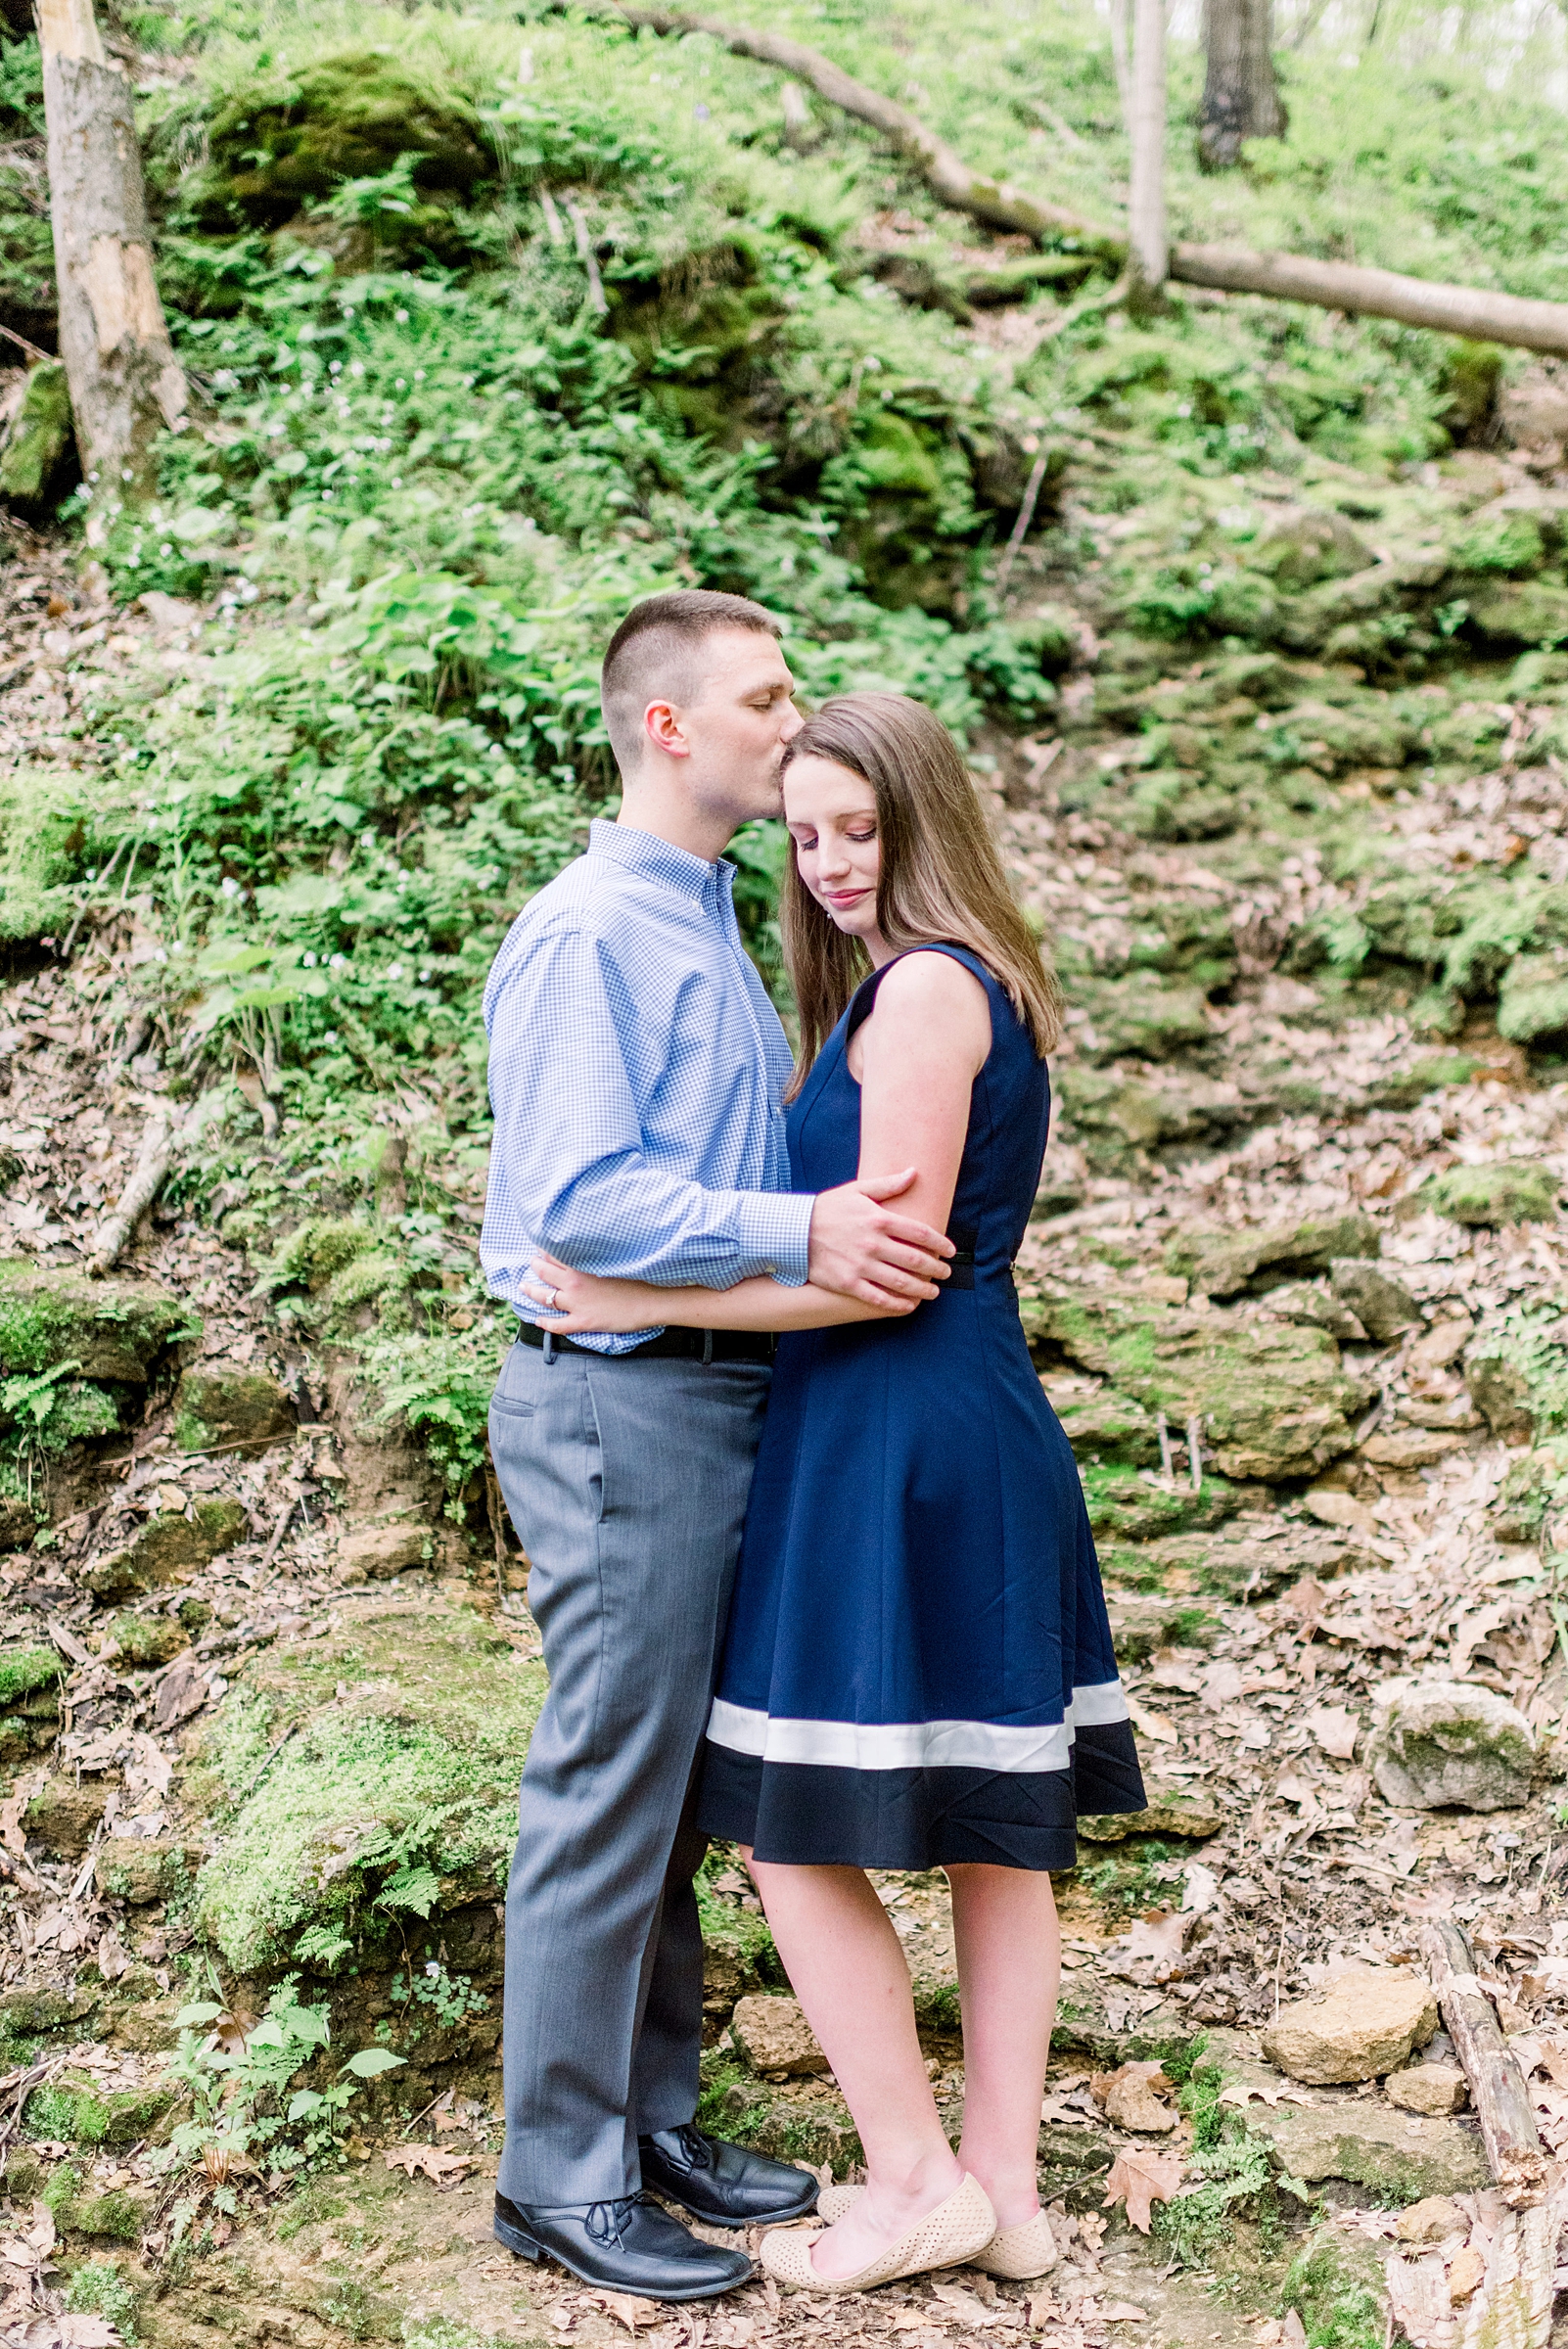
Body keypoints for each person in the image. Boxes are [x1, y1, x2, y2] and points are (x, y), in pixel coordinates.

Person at [523, 690, 1147, 2298]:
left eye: (857, 830)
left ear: (923, 816)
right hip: (934, 1422)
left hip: (896, 1432)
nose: (828, 864)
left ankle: (911, 2179)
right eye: (802, 839)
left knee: (795, 1834)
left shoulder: (925, 993)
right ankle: (999, 2196)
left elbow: (893, 1267)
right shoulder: (931, 983)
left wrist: (630, 1302)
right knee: (997, 1829)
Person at [481, 599, 959, 2306]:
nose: (793, 716)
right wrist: (807, 1229)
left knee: (679, 1783)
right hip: (618, 1405)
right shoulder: (588, 932)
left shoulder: (701, 918)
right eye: (765, 697)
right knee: (607, 1783)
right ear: (668, 728)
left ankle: (648, 2117)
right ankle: (556, 2175)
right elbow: (576, 1206)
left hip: (714, 1392)